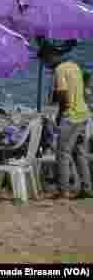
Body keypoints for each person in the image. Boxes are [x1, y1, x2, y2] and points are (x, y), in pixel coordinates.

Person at [42, 48, 92, 199]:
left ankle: (63, 190)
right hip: (83, 114)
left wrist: (59, 113)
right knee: (79, 153)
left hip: (71, 116)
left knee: (62, 153)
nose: (46, 65)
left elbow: (63, 93)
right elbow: (79, 90)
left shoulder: (60, 70)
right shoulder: (75, 66)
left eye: (45, 61)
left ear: (51, 57)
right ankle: (87, 188)